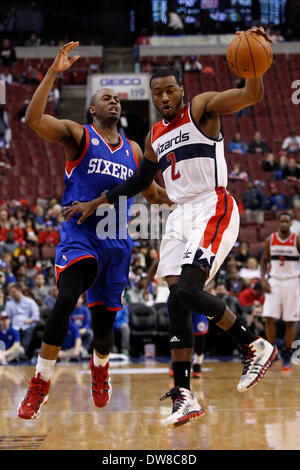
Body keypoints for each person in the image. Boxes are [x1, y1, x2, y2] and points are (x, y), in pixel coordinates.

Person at [65, 27, 278, 427]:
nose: (163, 98)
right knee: (175, 301)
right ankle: (185, 396)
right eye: (156, 93)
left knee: (189, 291)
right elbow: (139, 181)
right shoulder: (152, 136)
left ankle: (255, 344)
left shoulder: (200, 109)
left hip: (211, 204)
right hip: (179, 215)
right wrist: (100, 200)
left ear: (180, 89)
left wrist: (257, 65)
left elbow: (251, 95)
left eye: (169, 90)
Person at [17, 41, 173, 421]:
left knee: (104, 331)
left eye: (117, 98)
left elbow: (153, 194)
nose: (114, 101)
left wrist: (191, 199)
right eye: (106, 97)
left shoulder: (136, 150)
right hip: (81, 232)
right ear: (92, 108)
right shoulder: (79, 135)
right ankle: (40, 383)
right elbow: (33, 120)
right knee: (67, 296)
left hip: (118, 243)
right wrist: (53, 72)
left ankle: (100, 368)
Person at [260, 212, 300, 371]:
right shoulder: (270, 240)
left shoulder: (296, 239)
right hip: (274, 281)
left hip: (292, 282)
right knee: (269, 317)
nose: (284, 223)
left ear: (290, 223)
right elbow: (264, 262)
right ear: (278, 222)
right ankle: (272, 352)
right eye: (282, 221)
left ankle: (287, 355)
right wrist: (263, 280)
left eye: (287, 221)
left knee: (290, 321)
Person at [5, 283, 40, 359]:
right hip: (14, 327)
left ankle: (23, 351)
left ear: (20, 291)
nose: (12, 294)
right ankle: (15, 353)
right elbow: (8, 317)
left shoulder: (30, 301)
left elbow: (36, 316)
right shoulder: (9, 303)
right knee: (9, 330)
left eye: (13, 292)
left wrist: (30, 320)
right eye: (11, 292)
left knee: (29, 331)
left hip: (27, 326)